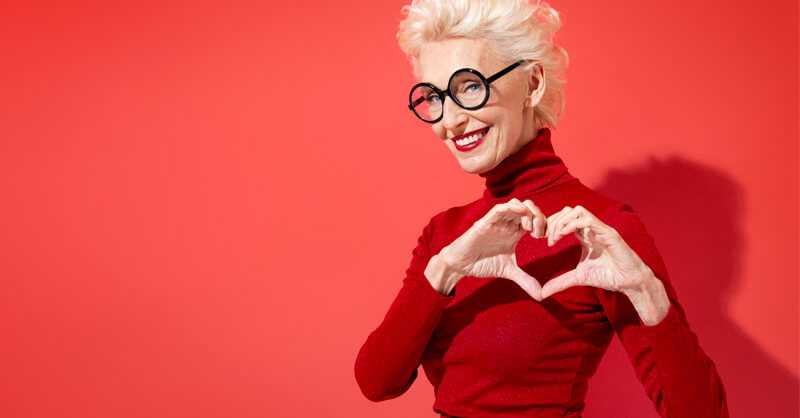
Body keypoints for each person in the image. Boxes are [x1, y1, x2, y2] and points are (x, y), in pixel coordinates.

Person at [354, 0, 729, 416]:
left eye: (470, 86)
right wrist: (444, 270)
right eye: (434, 97)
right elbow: (377, 381)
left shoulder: (600, 230)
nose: (450, 120)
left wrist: (646, 293)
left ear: (532, 84)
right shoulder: (445, 234)